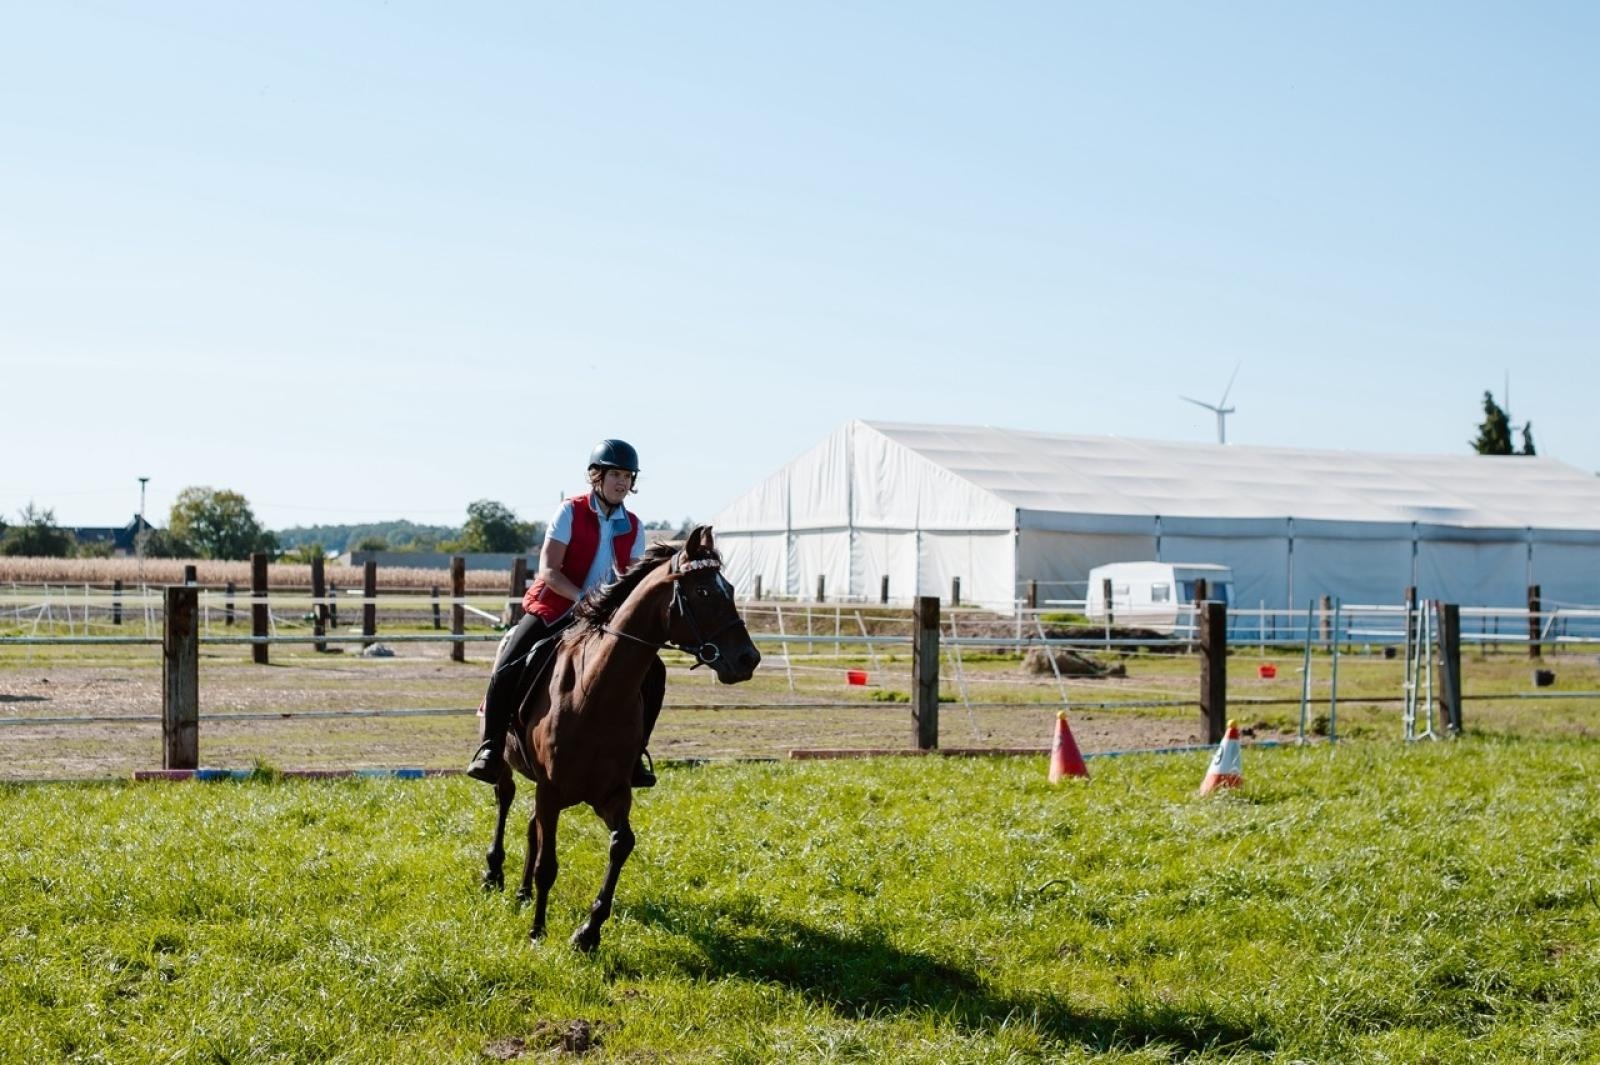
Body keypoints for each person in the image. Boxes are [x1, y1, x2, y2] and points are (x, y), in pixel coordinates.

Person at [466, 439, 662, 787]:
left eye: (627, 476)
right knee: (511, 661)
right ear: (595, 476)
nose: (622, 482)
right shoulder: (570, 512)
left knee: (654, 671)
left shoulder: (634, 525)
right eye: (614, 473)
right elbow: (549, 571)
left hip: (603, 619)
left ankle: (635, 756)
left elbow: (632, 581)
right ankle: (491, 747)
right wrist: (584, 598)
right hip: (556, 606)